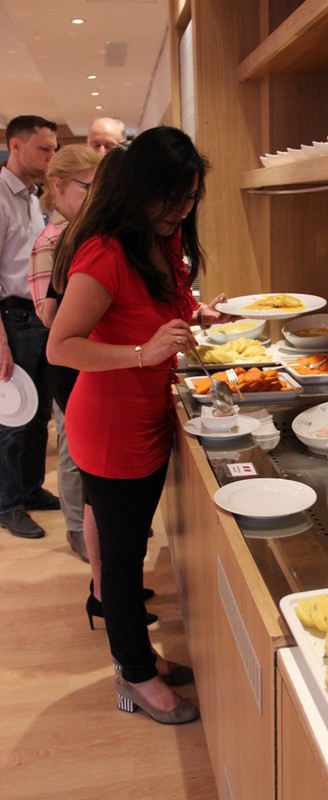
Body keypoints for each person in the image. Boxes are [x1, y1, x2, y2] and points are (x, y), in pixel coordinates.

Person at [47, 126, 232, 724]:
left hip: (146, 421)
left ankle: (141, 658)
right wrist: (142, 353)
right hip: (110, 428)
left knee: (130, 547)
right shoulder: (105, 252)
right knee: (122, 564)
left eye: (189, 199)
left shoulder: (161, 238)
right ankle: (134, 677)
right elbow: (60, 346)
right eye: (169, 199)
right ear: (139, 189)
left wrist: (198, 316)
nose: (179, 211)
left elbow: (153, 313)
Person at [49, 146, 157, 624]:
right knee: (97, 495)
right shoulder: (89, 244)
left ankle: (106, 592)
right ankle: (106, 593)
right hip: (86, 374)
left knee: (104, 507)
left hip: (98, 373)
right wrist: (138, 349)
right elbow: (55, 327)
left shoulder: (94, 238)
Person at [28, 143, 101, 560]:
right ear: (58, 185)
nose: (94, 195)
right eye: (86, 186)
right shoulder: (52, 240)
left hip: (91, 357)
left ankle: (96, 525)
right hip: (70, 361)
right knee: (74, 446)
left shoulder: (85, 233)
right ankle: (77, 530)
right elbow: (49, 316)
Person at [0, 115, 60, 540]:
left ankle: (30, 488)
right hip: (13, 317)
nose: (51, 157)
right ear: (16, 146)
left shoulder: (35, 197)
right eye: (44, 149)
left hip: (39, 315)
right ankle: (7, 504)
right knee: (12, 416)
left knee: (39, 414)